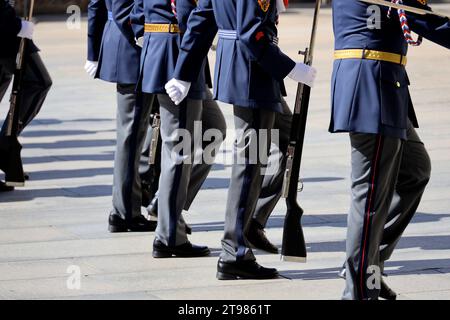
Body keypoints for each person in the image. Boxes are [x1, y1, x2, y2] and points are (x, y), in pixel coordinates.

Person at [166, 0, 316, 279]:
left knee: (257, 155)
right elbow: (252, 33)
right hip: (252, 70)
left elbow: (203, 19)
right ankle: (234, 250)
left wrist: (183, 72)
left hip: (241, 65)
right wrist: (290, 68)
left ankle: (243, 234)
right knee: (250, 163)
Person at [330, 0, 450, 300]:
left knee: (415, 169)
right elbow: (424, 19)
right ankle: (357, 291)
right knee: (370, 196)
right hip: (373, 83)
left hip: (384, 82)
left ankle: (370, 260)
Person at [131, 0, 227, 258]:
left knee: (214, 129)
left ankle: (163, 203)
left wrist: (151, 41)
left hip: (167, 50)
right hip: (179, 55)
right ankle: (169, 236)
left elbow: (137, 11)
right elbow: (189, 15)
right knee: (180, 151)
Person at [86, 0, 156, 232]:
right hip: (133, 50)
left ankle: (132, 201)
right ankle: (125, 211)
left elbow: (96, 5)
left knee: (137, 132)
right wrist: (147, 38)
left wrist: (93, 51)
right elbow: (126, 12)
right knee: (132, 134)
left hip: (128, 46)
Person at [0, 0, 52, 192]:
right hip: (5, 30)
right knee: (39, 82)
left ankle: (5, 142)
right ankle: (5, 142)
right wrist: (16, 25)